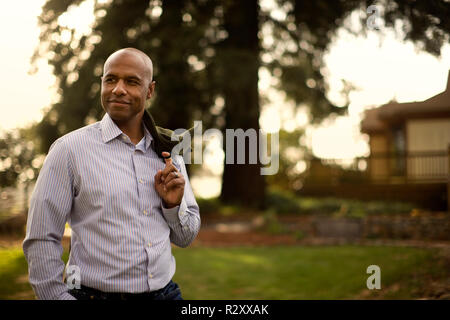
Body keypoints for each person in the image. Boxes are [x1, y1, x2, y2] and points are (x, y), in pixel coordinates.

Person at [22, 48, 200, 300]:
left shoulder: (168, 152)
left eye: (131, 81)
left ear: (149, 90)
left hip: (166, 294)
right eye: (111, 79)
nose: (118, 89)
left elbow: (185, 237)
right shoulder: (69, 151)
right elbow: (41, 238)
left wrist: (172, 206)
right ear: (102, 84)